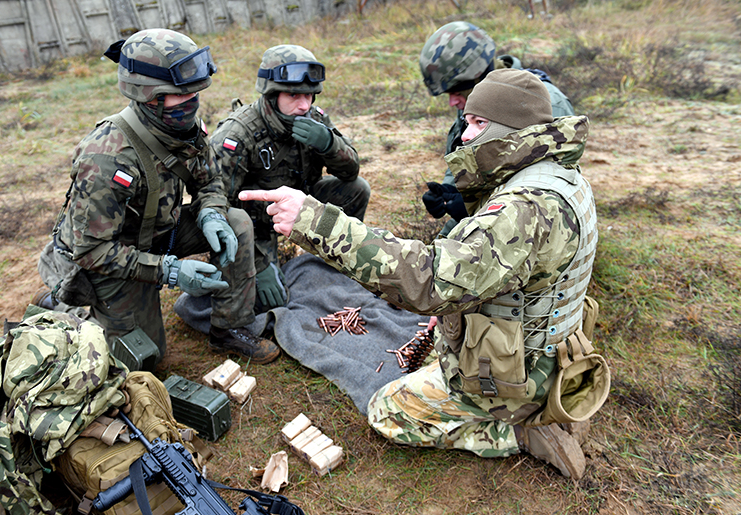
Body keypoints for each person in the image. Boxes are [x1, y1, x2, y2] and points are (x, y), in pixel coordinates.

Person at [238, 69, 600, 479]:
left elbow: (428, 281)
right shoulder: (560, 177)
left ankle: (518, 433)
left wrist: (315, 221)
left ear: (512, 129)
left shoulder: (524, 209)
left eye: (479, 124)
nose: (464, 135)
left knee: (386, 411)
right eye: (468, 122)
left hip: (518, 378)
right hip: (549, 349)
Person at [36, 28, 280, 365]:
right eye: (179, 98)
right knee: (144, 361)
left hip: (160, 232)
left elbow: (209, 181)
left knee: (235, 221)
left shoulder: (186, 127)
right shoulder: (105, 158)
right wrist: (171, 271)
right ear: (147, 96)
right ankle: (62, 303)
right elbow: (92, 249)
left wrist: (210, 213)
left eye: (194, 96)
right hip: (111, 257)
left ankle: (229, 327)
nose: (191, 105)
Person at [205, 44, 369, 315]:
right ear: (271, 94)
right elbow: (217, 207)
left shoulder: (314, 118)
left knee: (355, 190)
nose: (304, 105)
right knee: (272, 301)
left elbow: (350, 173)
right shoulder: (238, 134)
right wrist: (257, 265)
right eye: (293, 94)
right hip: (257, 224)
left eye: (309, 95)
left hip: (302, 204)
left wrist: (328, 143)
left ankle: (335, 257)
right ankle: (265, 267)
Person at [419, 21, 575, 237]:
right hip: (494, 208)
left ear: (479, 73)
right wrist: (451, 191)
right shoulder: (478, 97)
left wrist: (482, 203)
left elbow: (553, 187)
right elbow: (465, 150)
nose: (452, 103)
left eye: (456, 91)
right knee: (436, 258)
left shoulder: (544, 103)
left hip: (540, 224)